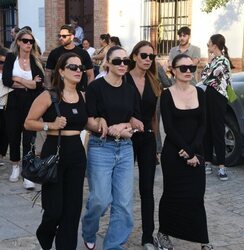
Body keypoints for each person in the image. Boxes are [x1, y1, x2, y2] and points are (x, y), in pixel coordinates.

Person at [81, 45, 143, 250]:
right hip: (100, 147)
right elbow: (87, 121)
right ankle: (89, 229)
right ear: (106, 63)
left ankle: (113, 245)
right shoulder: (95, 88)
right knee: (100, 199)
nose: (123, 64)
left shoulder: (130, 88)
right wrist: (103, 125)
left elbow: (135, 119)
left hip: (125, 148)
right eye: (117, 61)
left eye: (126, 61)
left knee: (124, 204)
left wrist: (123, 126)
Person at [24, 52, 88, 250]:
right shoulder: (49, 95)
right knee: (54, 210)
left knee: (73, 209)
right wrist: (50, 125)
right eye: (73, 67)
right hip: (54, 153)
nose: (78, 71)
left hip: (77, 154)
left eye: (80, 68)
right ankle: (44, 234)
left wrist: (102, 123)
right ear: (61, 71)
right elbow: (28, 123)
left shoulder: (83, 96)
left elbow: (88, 122)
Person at [156, 54, 213, 250]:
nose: (188, 71)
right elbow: (169, 129)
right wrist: (186, 152)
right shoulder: (166, 94)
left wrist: (193, 153)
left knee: (196, 196)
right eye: (183, 68)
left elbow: (203, 125)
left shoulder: (200, 93)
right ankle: (163, 234)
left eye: (191, 67)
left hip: (197, 153)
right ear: (173, 70)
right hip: (174, 153)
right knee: (172, 195)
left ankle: (204, 241)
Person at [126, 40, 161, 250]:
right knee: (121, 189)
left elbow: (155, 118)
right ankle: (119, 230)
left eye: (151, 56)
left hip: (147, 139)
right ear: (134, 57)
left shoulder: (153, 81)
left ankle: (148, 236)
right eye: (144, 55)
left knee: (147, 189)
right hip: (126, 139)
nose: (148, 59)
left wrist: (157, 146)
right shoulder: (123, 79)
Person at [2, 29, 44, 190]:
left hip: (31, 103)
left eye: (31, 41)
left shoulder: (35, 59)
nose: (28, 44)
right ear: (18, 42)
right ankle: (14, 167)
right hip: (13, 102)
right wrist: (28, 82)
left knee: (29, 137)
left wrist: (18, 79)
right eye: (25, 41)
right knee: (13, 135)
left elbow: (39, 84)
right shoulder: (11, 58)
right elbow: (6, 80)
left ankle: (27, 171)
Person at [201, 34, 234, 181]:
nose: (207, 46)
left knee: (218, 130)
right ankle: (207, 162)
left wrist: (208, 66)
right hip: (209, 95)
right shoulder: (213, 60)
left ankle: (221, 166)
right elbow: (204, 78)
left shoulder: (223, 61)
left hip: (219, 98)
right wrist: (208, 62)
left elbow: (208, 78)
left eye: (209, 44)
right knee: (207, 129)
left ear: (215, 45)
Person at [45, 24, 94, 91]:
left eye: (64, 36)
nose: (61, 38)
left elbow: (90, 74)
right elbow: (48, 72)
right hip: (59, 92)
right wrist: (49, 89)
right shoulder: (54, 53)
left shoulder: (83, 53)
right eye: (60, 36)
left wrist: (88, 92)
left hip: (78, 91)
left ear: (72, 37)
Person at [0, 46, 9, 165]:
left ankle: (1, 155)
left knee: (5, 133)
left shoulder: (10, 74)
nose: (2, 65)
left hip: (6, 107)